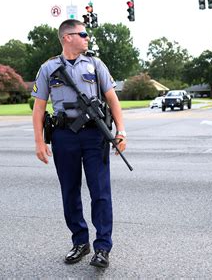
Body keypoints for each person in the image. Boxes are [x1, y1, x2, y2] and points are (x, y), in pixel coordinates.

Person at [31, 19, 127, 268]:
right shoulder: (48, 68)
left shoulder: (95, 64)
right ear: (67, 38)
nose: (87, 38)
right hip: (64, 135)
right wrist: (39, 142)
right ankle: (80, 242)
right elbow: (39, 107)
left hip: (95, 134)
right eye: (82, 34)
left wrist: (121, 131)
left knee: (100, 192)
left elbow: (112, 99)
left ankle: (102, 248)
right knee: (70, 191)